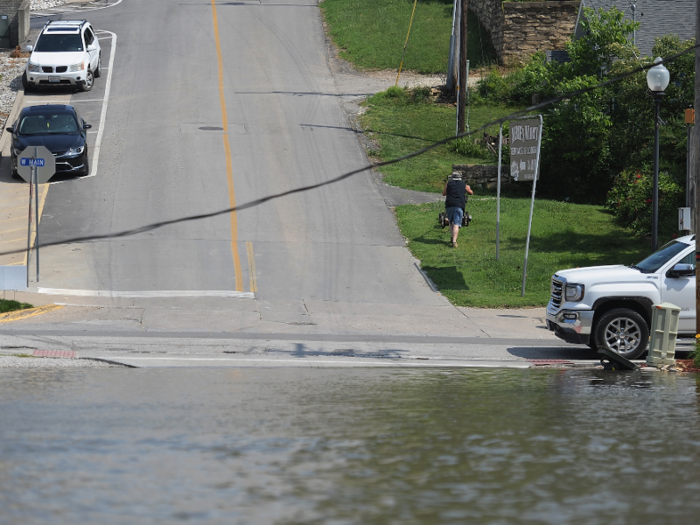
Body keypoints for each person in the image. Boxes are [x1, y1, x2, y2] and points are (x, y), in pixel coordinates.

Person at [442, 172, 473, 248]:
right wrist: (468, 188)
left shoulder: (448, 184)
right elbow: (471, 193)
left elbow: (444, 193)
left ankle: (452, 238)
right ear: (460, 178)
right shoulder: (464, 185)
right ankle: (454, 242)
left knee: (450, 222)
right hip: (459, 205)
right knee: (456, 223)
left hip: (449, 204)